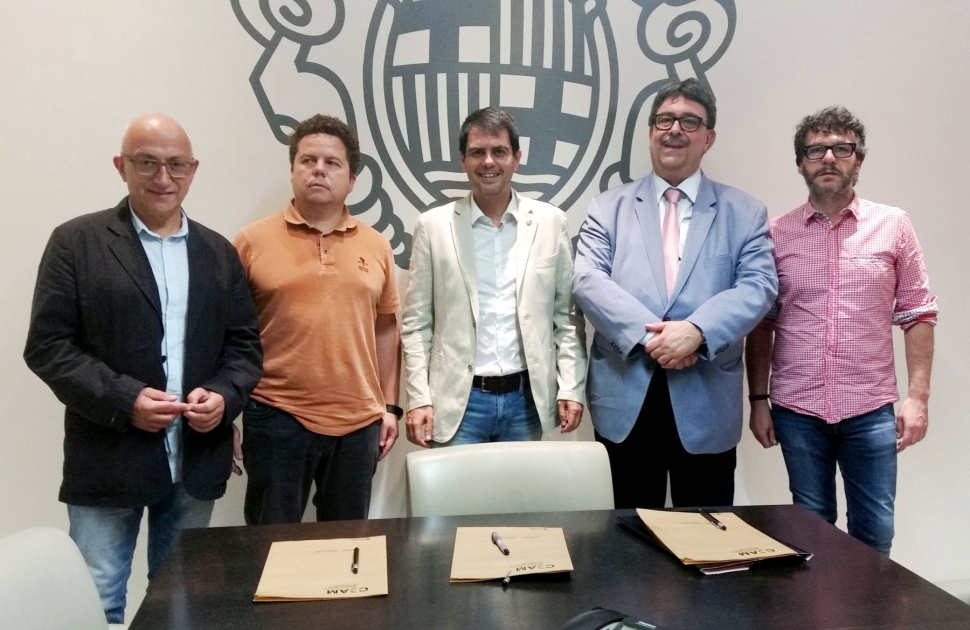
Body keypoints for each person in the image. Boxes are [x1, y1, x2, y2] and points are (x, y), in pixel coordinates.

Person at [23, 114, 263, 623]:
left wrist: (224, 396)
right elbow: (47, 347)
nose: (163, 178)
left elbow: (244, 348)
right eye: (147, 163)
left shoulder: (218, 253)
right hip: (108, 457)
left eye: (176, 164)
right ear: (121, 166)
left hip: (195, 458)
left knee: (179, 603)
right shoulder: (76, 243)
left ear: (193, 170)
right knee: (99, 601)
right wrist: (124, 399)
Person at [572, 78, 777, 509]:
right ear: (651, 132)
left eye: (689, 121)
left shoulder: (745, 213)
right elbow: (588, 279)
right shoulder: (607, 207)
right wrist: (654, 339)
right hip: (626, 399)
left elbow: (758, 286)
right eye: (664, 120)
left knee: (707, 534)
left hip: (706, 402)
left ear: (708, 138)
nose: (675, 129)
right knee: (626, 535)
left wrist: (697, 332)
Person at [744, 106, 937, 555]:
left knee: (875, 532)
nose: (828, 158)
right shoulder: (776, 235)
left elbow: (918, 313)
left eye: (841, 148)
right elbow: (762, 324)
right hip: (797, 410)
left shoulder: (893, 226)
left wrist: (917, 398)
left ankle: (867, 605)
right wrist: (758, 401)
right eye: (816, 150)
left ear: (858, 159)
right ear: (800, 163)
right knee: (810, 532)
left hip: (869, 410)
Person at [234, 114, 401, 524]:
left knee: (346, 546)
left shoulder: (377, 246)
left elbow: (386, 328)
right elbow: (228, 334)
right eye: (308, 160)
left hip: (359, 422)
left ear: (352, 179)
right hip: (276, 415)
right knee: (270, 545)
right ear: (293, 170)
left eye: (332, 163)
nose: (319, 170)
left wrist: (389, 406)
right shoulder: (251, 242)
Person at [401, 107, 587, 447]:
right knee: (456, 486)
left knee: (520, 486)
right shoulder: (433, 227)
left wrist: (571, 388)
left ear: (517, 158)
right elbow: (416, 325)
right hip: (459, 404)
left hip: (525, 403)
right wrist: (419, 398)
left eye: (499, 151)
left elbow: (567, 318)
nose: (488, 162)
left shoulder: (550, 222)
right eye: (477, 152)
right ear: (463, 159)